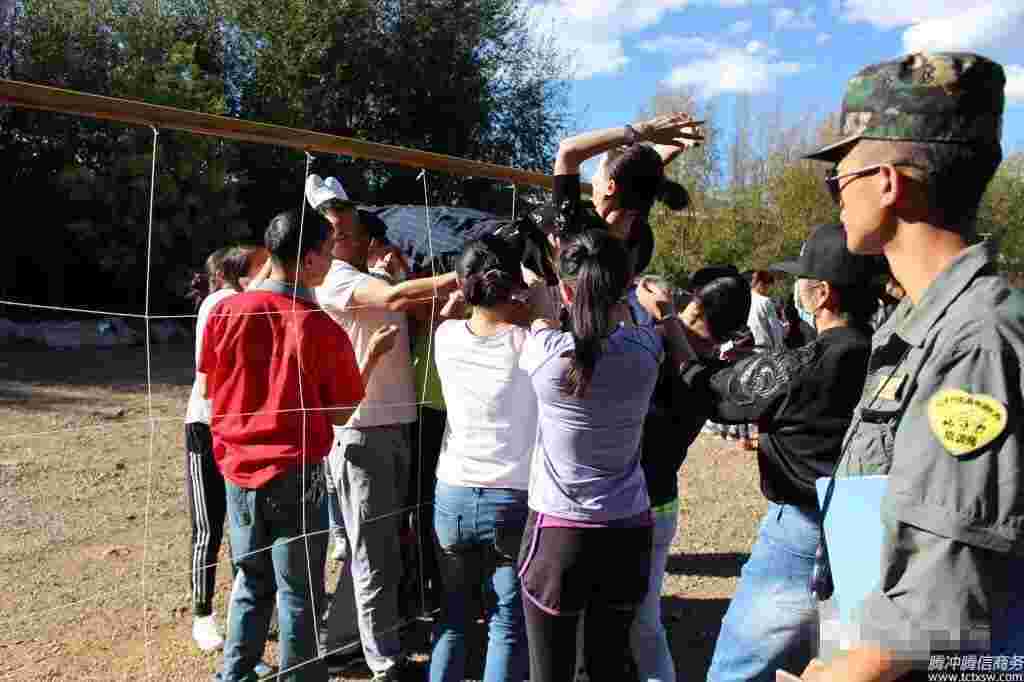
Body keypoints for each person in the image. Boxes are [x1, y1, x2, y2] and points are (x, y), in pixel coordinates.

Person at [797, 53, 1024, 682]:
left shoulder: (976, 339)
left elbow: (942, 594)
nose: (836, 200)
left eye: (838, 179)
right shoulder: (920, 323)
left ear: (887, 184)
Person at [202, 211, 395, 682]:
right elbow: (341, 412)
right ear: (308, 259)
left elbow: (209, 388)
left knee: (250, 581)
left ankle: (234, 675)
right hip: (296, 473)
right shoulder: (319, 327)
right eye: (328, 251)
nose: (332, 260)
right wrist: (371, 358)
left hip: (237, 470)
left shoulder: (224, 311)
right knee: (299, 591)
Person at [697, 223, 878, 682]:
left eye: (801, 280)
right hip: (868, 531)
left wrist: (682, 337)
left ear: (822, 294)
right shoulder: (887, 353)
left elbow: (719, 393)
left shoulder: (810, 362)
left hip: (802, 530)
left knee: (736, 669)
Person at [516, 229, 697, 682]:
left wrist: (542, 292)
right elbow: (674, 350)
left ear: (567, 291)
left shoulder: (546, 354)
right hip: (627, 531)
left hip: (558, 534)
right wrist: (665, 314)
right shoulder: (647, 349)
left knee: (548, 674)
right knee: (610, 668)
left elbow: (542, 321)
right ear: (626, 289)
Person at [307, 175, 459, 681]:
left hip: (392, 423)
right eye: (338, 231)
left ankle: (344, 643)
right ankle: (384, 662)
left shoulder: (364, 276)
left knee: (377, 546)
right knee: (372, 551)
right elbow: (395, 299)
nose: (347, 237)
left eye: (351, 229)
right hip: (365, 429)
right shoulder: (339, 280)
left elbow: (412, 309)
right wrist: (461, 275)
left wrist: (406, 277)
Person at [630, 270, 752, 682]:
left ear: (697, 308)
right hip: (657, 503)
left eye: (690, 304)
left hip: (636, 505)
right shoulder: (710, 369)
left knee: (636, 621)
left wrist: (660, 314)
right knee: (641, 619)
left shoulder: (667, 351)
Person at [429, 236, 535, 682]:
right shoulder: (530, 344)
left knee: (453, 616)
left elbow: (453, 318)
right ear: (513, 284)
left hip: (452, 492)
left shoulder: (445, 335)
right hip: (511, 495)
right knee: (506, 621)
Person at [184, 244, 268, 653]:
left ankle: (244, 610)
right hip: (206, 425)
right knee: (208, 526)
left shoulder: (248, 301)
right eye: (259, 268)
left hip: (238, 425)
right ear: (236, 274)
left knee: (242, 524)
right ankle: (202, 615)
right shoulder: (220, 303)